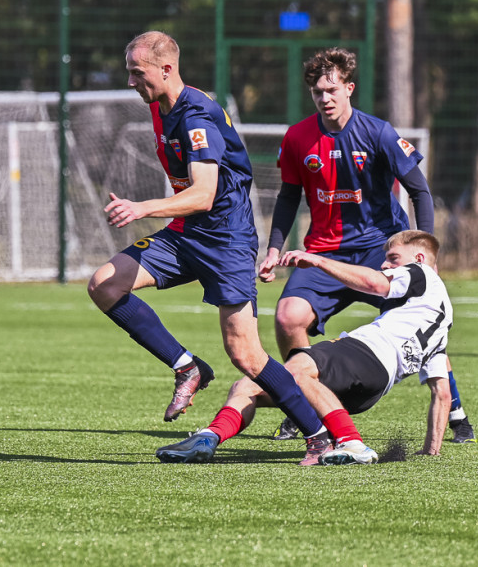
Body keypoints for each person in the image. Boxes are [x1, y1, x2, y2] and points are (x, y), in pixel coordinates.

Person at [87, 31, 330, 460]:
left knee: (247, 355)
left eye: (136, 73)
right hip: (187, 233)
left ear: (166, 69)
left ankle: (318, 436)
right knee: (105, 283)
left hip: (226, 242)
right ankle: (187, 366)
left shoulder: (197, 116)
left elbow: (203, 194)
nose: (130, 82)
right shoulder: (161, 106)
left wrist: (142, 207)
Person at [255, 47, 475, 444]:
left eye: (332, 89)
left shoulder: (378, 132)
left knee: (420, 321)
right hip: (323, 253)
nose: (325, 98)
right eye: (318, 91)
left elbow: (420, 192)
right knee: (288, 316)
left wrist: (424, 258)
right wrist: (274, 247)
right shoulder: (297, 138)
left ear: (349, 88)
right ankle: (304, 407)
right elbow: (288, 197)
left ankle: (454, 410)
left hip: (381, 251)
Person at [157, 230, 453, 465]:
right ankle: (208, 438)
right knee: (248, 386)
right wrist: (431, 451)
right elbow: (442, 393)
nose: (386, 265)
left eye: (393, 258)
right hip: (368, 391)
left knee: (296, 370)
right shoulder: (442, 326)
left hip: (365, 353)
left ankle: (351, 442)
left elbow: (376, 284)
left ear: (418, 258)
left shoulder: (421, 272)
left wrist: (319, 261)